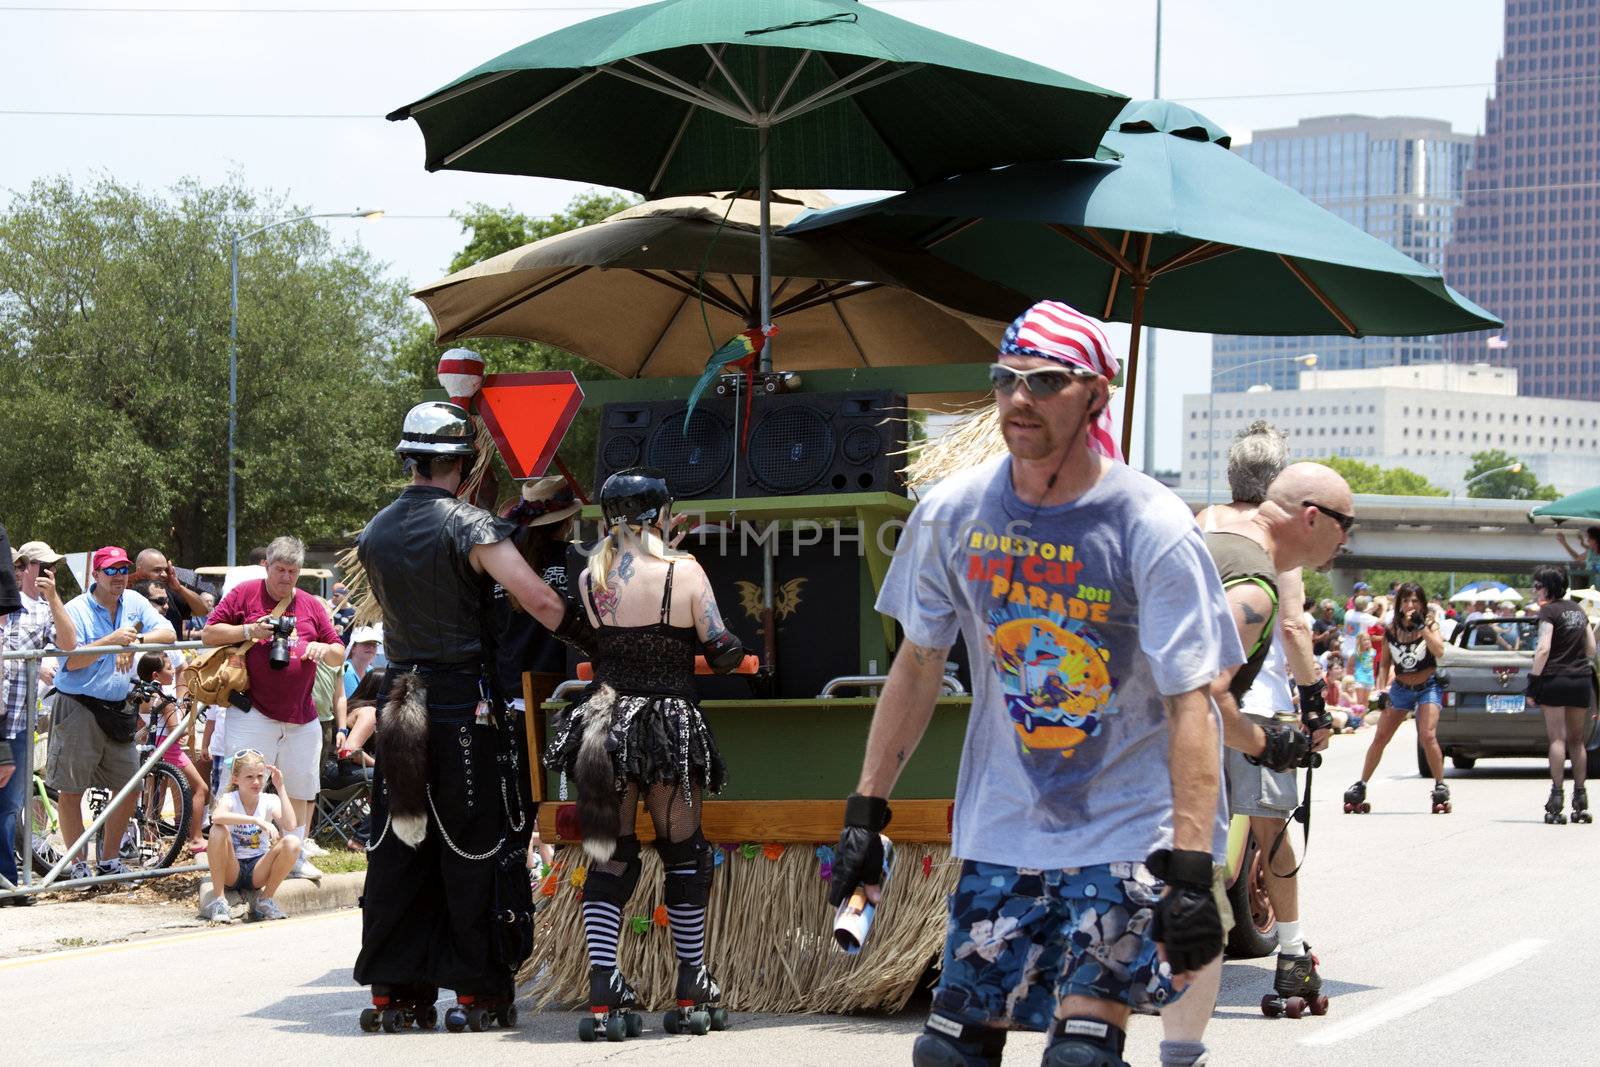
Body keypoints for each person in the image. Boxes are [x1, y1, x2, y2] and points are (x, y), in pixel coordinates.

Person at [828, 301, 1241, 1067]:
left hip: (1124, 823)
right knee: (950, 1053)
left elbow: (1192, 702)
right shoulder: (953, 511)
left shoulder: (1150, 523)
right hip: (1003, 821)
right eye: (1006, 380)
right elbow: (919, 663)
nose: (1020, 398)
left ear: (1095, 394)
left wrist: (1190, 865)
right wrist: (865, 808)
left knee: (1080, 1055)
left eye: (1046, 381)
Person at [353, 400, 590, 1031]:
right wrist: (598, 644)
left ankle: (396, 991)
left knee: (402, 843)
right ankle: (478, 991)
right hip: (463, 708)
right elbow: (539, 599)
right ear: (459, 464)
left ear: (411, 461)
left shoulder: (374, 531)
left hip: (401, 700)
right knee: (475, 843)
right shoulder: (470, 526)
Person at [542, 467, 743, 1038]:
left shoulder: (591, 576)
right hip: (667, 728)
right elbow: (721, 648)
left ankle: (604, 985)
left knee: (609, 854)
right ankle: (691, 982)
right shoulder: (685, 571)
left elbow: (595, 638)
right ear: (660, 514)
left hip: (604, 725)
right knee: (685, 852)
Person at [1193, 463, 1347, 1025]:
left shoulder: (1204, 523)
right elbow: (1293, 628)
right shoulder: (1273, 556)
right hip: (1254, 707)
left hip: (1187, 724)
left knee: (1195, 833)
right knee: (1272, 832)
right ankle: (1290, 952)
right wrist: (1312, 712)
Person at [202, 536, 344, 881]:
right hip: (254, 712)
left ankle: (294, 855)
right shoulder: (245, 594)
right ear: (267, 565)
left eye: (293, 572)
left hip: (302, 715)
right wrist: (249, 629)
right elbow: (209, 633)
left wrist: (320, 650)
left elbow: (339, 650)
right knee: (241, 785)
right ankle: (231, 861)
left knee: (299, 788)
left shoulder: (310, 603)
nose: (286, 578)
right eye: (280, 570)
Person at [51, 546, 175, 880]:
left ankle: (108, 861)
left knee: (130, 786)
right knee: (71, 790)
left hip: (120, 709)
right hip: (79, 705)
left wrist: (134, 642)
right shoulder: (76, 608)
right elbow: (70, 661)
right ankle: (75, 866)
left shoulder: (134, 601)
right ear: (95, 575)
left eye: (123, 569)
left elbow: (169, 633)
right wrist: (112, 640)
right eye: (111, 570)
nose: (118, 576)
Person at [1, 541, 77, 899]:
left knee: (11, 803)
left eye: (53, 567)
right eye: (40, 565)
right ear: (22, 567)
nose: (47, 571)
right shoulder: (6, 603)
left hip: (16, 720)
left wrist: (55, 598)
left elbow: (68, 644)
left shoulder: (45, 610)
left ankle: (9, 881)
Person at [1346, 581, 1450, 814]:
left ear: (1421, 603)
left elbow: (1440, 651)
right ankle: (1361, 784)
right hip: (1401, 688)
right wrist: (1381, 690)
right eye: (1405, 600)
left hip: (1428, 686)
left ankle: (1440, 785)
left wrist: (1422, 627)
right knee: (1381, 736)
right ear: (1399, 603)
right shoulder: (1391, 629)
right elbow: (1384, 664)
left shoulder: (1430, 624)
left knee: (1427, 735)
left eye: (1414, 600)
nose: (1410, 605)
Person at [1527, 566, 1596, 824]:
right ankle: (1581, 797)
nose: (1535, 591)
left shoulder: (1549, 611)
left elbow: (1543, 648)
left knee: (1557, 739)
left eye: (1537, 586)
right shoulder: (1579, 611)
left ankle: (1557, 798)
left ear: (1547, 588)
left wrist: (1533, 681)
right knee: (1577, 741)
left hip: (1555, 678)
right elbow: (1590, 648)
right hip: (1580, 680)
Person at [199, 749, 301, 923]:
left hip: (257, 868)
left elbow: (290, 825)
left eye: (260, 776)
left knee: (293, 842)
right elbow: (216, 816)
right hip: (232, 868)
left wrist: (280, 787)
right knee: (217, 830)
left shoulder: (269, 799)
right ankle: (219, 900)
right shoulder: (229, 798)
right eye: (249, 777)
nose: (256, 782)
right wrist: (256, 821)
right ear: (235, 779)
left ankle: (265, 900)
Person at [134, 653, 208, 854]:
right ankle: (196, 837)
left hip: (153, 748)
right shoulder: (164, 700)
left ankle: (150, 841)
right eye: (169, 668)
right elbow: (179, 729)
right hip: (169, 748)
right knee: (201, 788)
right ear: (156, 675)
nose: (174, 671)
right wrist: (187, 710)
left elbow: (141, 727)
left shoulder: (141, 695)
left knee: (154, 799)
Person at [134, 549, 209, 640]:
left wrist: (179, 588)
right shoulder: (130, 597)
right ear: (140, 572)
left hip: (174, 653)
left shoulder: (171, 591)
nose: (164, 574)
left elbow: (203, 610)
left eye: (165, 570)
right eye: (157, 570)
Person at [343, 625, 381, 697]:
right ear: (353, 648)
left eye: (375, 644)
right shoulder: (346, 670)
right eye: (367, 643)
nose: (371, 647)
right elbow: (352, 703)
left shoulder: (371, 669)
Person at [1340, 595, 1378, 660]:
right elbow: (1381, 621)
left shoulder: (1348, 613)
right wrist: (1384, 607)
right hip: (1357, 653)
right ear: (1365, 606)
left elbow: (1360, 614)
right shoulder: (1364, 617)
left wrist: (1370, 610)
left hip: (1346, 651)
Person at [1350, 631, 1377, 707]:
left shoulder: (1372, 652)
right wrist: (1351, 676)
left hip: (1369, 679)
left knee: (1366, 702)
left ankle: (1362, 718)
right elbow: (1350, 665)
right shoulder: (1357, 653)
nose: (1367, 641)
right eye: (1364, 640)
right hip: (1360, 678)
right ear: (1360, 641)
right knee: (1359, 701)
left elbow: (1373, 666)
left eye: (1368, 639)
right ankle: (1357, 718)